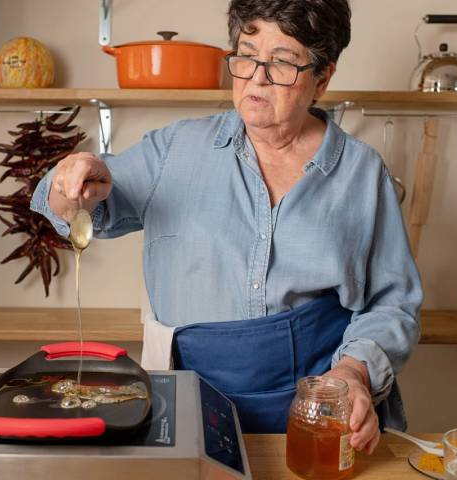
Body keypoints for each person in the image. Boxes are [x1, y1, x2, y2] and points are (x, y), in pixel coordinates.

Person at [31, 0, 422, 454]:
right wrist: (72, 179)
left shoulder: (361, 172)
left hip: (319, 411)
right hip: (187, 402)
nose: (257, 76)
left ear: (324, 78)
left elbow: (394, 301)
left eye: (283, 62)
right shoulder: (175, 148)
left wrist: (354, 371)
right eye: (247, 53)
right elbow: (73, 204)